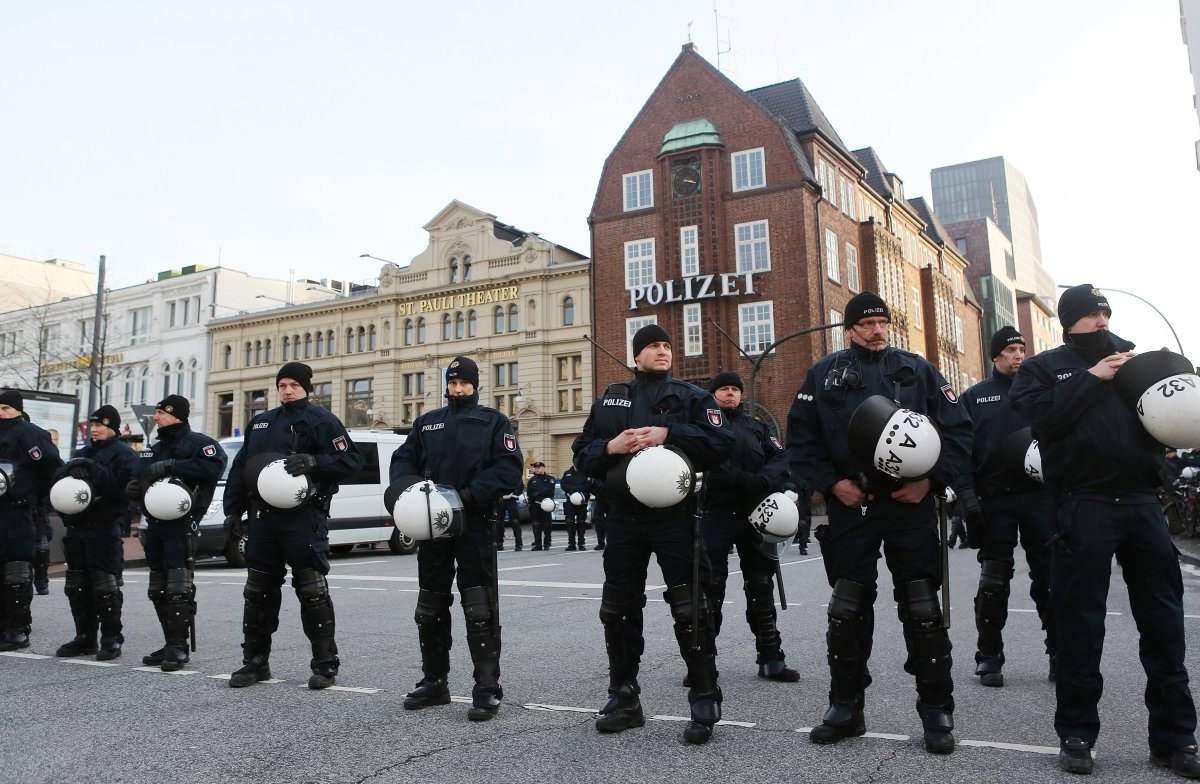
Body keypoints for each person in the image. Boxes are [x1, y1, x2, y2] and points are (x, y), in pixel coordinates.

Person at [1010, 285, 1200, 777]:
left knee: (1163, 621)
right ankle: (1076, 734)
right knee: (1080, 623)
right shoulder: (1043, 369)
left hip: (1140, 503)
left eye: (1105, 311)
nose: (1101, 318)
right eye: (1091, 312)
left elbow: (1174, 417)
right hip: (1083, 503)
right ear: (1070, 319)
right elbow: (1041, 418)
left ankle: (1176, 738)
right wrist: (1092, 377)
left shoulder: (1136, 362)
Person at [786, 291, 971, 755]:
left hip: (909, 504)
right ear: (849, 329)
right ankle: (845, 708)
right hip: (853, 504)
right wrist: (832, 486)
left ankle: (936, 711)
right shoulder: (823, 373)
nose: (877, 329)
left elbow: (959, 430)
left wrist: (930, 482)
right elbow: (801, 439)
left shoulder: (918, 369)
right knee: (846, 608)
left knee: (922, 606)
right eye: (866, 323)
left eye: (882, 322)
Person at [572, 323, 735, 744]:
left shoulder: (693, 398)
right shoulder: (611, 398)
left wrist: (670, 433)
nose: (662, 352)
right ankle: (624, 698)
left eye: (666, 345)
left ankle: (704, 699)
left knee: (689, 606)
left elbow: (722, 445)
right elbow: (581, 454)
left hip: (676, 517)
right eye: (652, 347)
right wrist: (610, 447)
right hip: (623, 517)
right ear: (636, 355)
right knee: (618, 608)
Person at [390, 356, 523, 721]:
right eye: (452, 383)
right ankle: (435, 682)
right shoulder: (427, 423)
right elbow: (402, 463)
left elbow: (509, 470)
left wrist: (465, 496)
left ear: (475, 385)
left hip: (474, 523)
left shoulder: (494, 422)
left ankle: (486, 687)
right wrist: (413, 494)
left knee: (479, 607)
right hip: (432, 527)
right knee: (430, 606)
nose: (457, 388)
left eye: (464, 383)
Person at [222, 362, 364, 690]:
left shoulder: (322, 421)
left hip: (304, 518)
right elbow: (241, 470)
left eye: (294, 386)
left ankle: (325, 665)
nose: (287, 390)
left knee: (312, 590)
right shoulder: (261, 423)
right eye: (283, 385)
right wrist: (233, 511)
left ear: (306, 388)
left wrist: (315, 461)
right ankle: (254, 662)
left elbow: (351, 461)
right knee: (258, 592)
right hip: (263, 519)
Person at [959, 327, 1057, 689]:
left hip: (1039, 498)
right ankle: (988, 655)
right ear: (996, 356)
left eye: (1022, 349)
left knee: (1049, 577)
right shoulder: (974, 398)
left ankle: (1058, 651)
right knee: (993, 581)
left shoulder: (1040, 394)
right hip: (995, 499)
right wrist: (968, 497)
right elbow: (961, 452)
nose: (1019, 355)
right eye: (1012, 350)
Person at [700, 371, 797, 682]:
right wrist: (737, 478)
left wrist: (763, 481)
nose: (730, 394)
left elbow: (780, 459)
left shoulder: (757, 427)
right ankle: (703, 660)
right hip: (715, 512)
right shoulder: (704, 425)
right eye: (723, 389)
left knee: (760, 586)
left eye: (735, 389)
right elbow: (707, 458)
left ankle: (771, 657)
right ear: (713, 394)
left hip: (754, 513)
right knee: (710, 587)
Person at [126, 395, 227, 672]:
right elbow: (139, 479)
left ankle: (179, 647)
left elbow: (212, 468)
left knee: (178, 588)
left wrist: (173, 466)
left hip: (181, 525)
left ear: (177, 415)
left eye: (160, 413)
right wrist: (134, 491)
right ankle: (169, 641)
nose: (156, 417)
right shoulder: (153, 448)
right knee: (157, 587)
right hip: (154, 525)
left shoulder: (200, 444)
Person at [53, 405, 138, 660]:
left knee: (105, 585)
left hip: (104, 526)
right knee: (77, 585)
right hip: (78, 526)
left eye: (100, 425)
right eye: (92, 425)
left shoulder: (124, 455)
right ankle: (84, 637)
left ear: (112, 426)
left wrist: (92, 467)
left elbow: (119, 490)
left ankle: (111, 638)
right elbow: (58, 482)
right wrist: (73, 466)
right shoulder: (83, 451)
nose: (95, 429)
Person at [0, 390, 62, 650]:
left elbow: (51, 467)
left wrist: (39, 498)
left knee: (16, 571)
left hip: (18, 509)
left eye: (5, 408)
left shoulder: (32, 434)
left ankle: (18, 629)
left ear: (17, 409)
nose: (0, 413)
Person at [560, 463, 593, 551]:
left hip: (582, 501)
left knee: (581, 522)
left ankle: (581, 544)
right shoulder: (567, 473)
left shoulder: (586, 473)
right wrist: (574, 490)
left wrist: (575, 489)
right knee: (570, 522)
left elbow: (588, 486)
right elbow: (563, 485)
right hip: (570, 501)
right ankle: (571, 544)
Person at [526, 462, 556, 551]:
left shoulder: (550, 479)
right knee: (536, 525)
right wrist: (535, 495)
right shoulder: (532, 480)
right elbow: (529, 492)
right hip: (535, 505)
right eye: (536, 468)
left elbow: (550, 491)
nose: (537, 469)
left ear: (543, 468)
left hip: (546, 504)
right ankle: (538, 544)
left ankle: (546, 543)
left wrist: (538, 493)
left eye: (539, 467)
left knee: (547, 525)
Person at [494, 483, 523, 551]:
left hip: (511, 501)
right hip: (501, 501)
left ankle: (519, 544)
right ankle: (499, 544)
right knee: (498, 523)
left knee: (515, 522)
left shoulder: (514, 473)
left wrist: (513, 494)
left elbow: (520, 486)